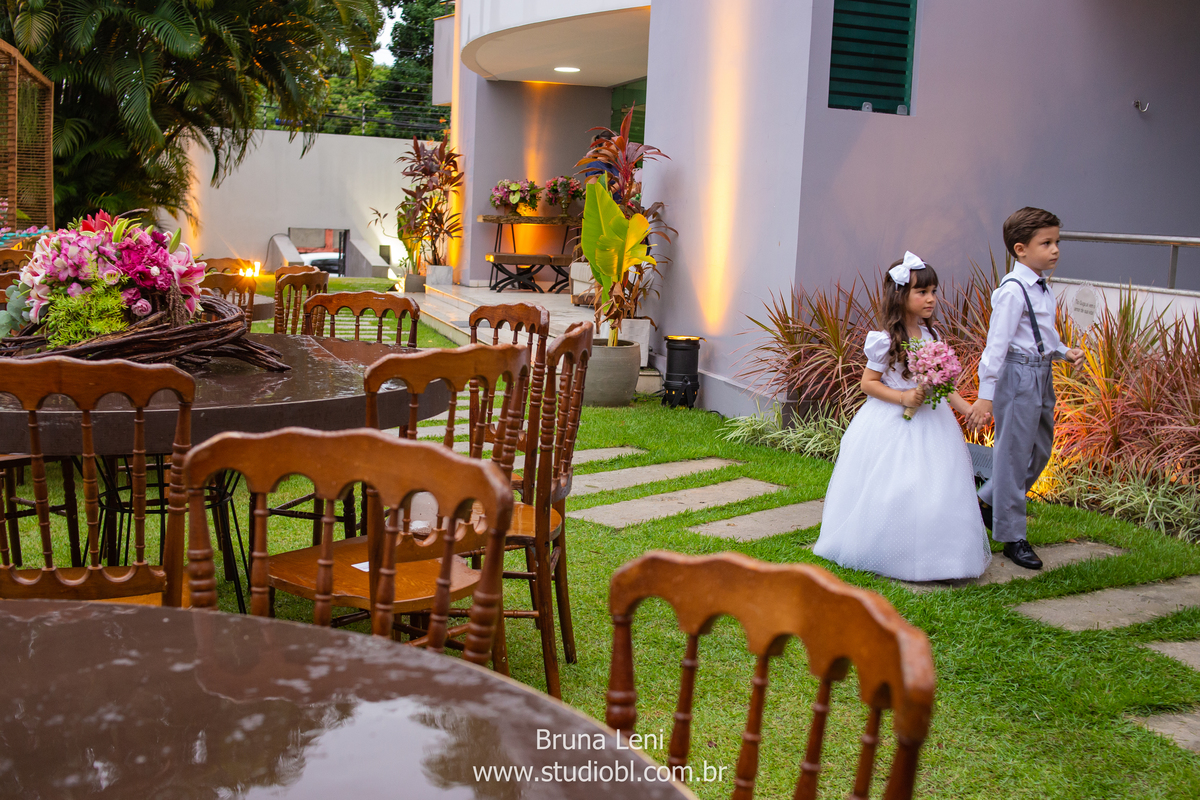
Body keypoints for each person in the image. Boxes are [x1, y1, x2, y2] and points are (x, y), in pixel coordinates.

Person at [814, 252, 992, 582]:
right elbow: (868, 383)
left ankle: (940, 556)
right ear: (901, 296)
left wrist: (967, 409)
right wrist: (903, 397)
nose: (931, 299)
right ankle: (883, 547)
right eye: (921, 292)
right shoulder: (886, 341)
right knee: (897, 485)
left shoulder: (932, 336)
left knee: (937, 486)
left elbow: (942, 383)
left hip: (933, 423)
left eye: (934, 292)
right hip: (890, 422)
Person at [967, 208, 1086, 569]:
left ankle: (987, 499)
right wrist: (985, 395)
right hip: (1016, 375)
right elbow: (997, 345)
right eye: (1046, 243)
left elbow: (1042, 333)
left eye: (1056, 242)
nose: (1055, 250)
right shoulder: (1013, 291)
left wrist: (1064, 352)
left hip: (1041, 372)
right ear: (1020, 249)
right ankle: (1012, 536)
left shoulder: (1041, 288)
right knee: (1013, 454)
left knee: (1040, 450)